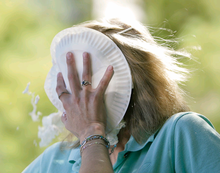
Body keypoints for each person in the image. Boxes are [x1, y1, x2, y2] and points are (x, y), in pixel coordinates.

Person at [23, 18, 220, 173]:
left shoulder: (180, 134)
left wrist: (91, 132)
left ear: (132, 79)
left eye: (87, 79)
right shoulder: (55, 161)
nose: (79, 95)